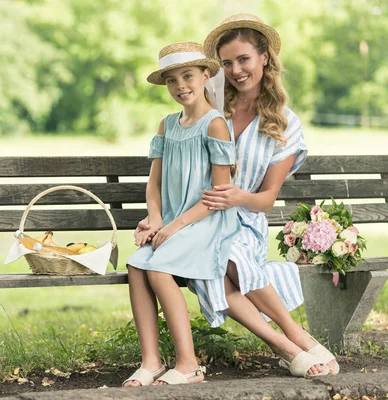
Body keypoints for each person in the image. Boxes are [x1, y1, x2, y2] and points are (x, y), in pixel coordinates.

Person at [135, 14, 339, 378]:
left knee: (227, 256)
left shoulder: (284, 124)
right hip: (195, 214)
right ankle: (290, 344)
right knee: (212, 261)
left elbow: (265, 200)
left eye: (243, 59)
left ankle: (292, 337)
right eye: (227, 63)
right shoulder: (214, 107)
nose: (235, 70)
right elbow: (175, 166)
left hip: (244, 219)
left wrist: (236, 197)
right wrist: (161, 216)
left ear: (264, 58)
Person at [123, 41, 240, 387]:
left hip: (205, 223)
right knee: (136, 263)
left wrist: (173, 226)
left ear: (206, 75)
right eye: (172, 80)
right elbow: (153, 185)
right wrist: (156, 218)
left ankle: (188, 364)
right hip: (173, 223)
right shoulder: (166, 125)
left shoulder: (215, 125)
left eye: (188, 76)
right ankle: (151, 362)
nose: (181, 86)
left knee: (158, 267)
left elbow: (217, 197)